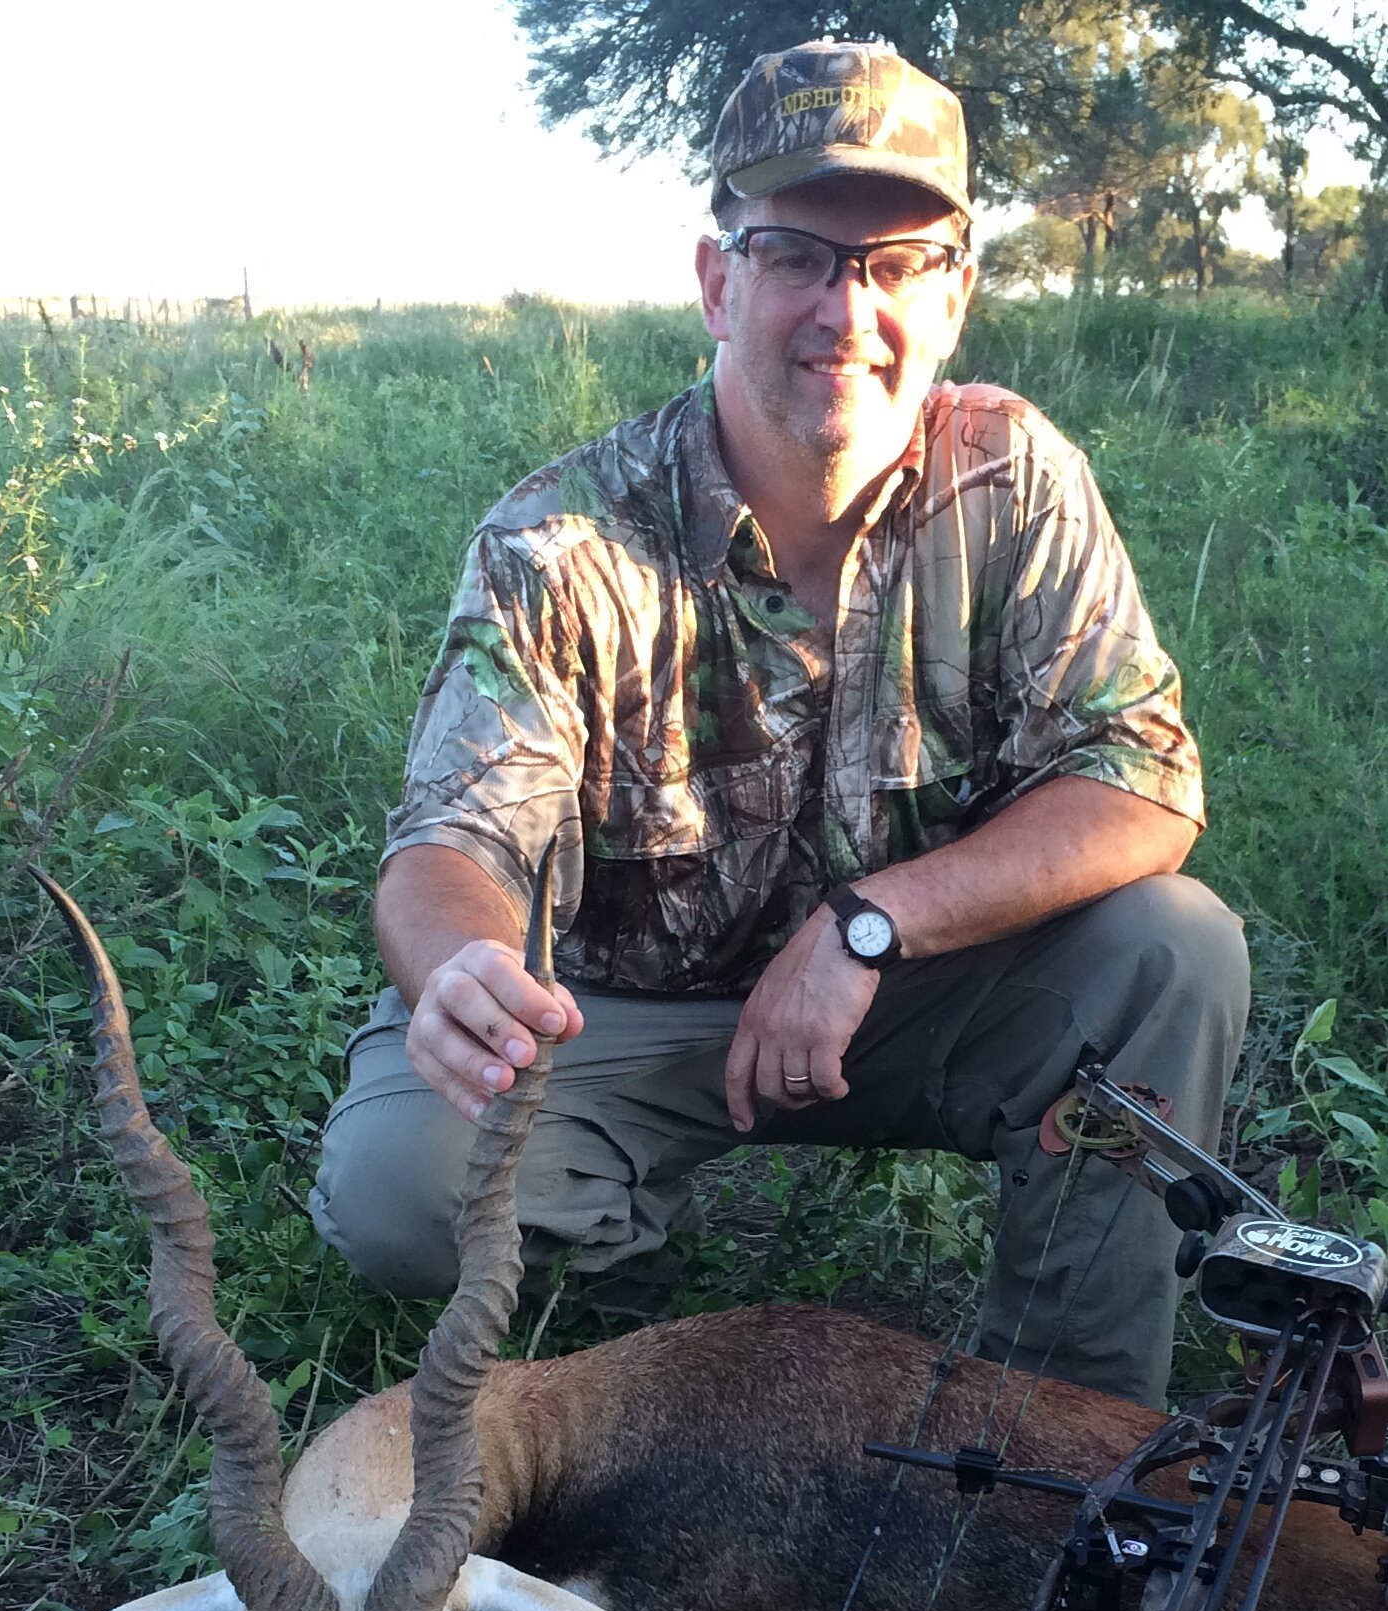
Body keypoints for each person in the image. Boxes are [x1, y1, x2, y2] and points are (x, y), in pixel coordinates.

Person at [309, 40, 1243, 1408]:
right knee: (401, 1186)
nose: (845, 310)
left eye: (898, 262)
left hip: (910, 999)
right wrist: (456, 969)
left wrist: (871, 923)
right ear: (717, 279)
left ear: (956, 293)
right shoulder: (561, 537)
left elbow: (1142, 782)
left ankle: (1068, 1431)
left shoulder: (1019, 479)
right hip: (623, 1017)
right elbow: (451, 843)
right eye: (799, 254)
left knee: (1176, 949)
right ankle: (624, 1303)